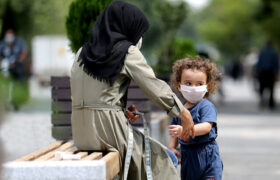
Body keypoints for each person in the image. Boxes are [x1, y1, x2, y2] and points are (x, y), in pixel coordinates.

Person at [70, 1, 194, 180]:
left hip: (81, 134)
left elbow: (94, 97)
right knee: (166, 159)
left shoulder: (81, 52)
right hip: (108, 133)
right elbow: (155, 88)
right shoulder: (126, 51)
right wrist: (184, 114)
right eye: (139, 32)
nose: (139, 37)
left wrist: (120, 113)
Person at [168, 57, 223, 180]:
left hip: (207, 154)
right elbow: (173, 130)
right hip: (188, 156)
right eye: (188, 83)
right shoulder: (179, 109)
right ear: (179, 86)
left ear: (207, 86)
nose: (193, 88)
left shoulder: (206, 106)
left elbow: (207, 127)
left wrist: (186, 130)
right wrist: (172, 146)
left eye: (199, 84)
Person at [0, 28, 29, 110]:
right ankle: (4, 100)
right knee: (4, 82)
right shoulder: (3, 44)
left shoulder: (19, 42)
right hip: (6, 67)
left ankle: (17, 100)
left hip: (17, 66)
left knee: (19, 82)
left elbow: (24, 52)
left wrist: (19, 60)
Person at [256, 40, 279, 110]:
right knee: (271, 88)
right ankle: (271, 103)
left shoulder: (262, 53)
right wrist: (277, 73)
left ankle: (262, 101)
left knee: (262, 87)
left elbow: (259, 63)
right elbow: (276, 64)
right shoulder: (274, 53)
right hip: (271, 72)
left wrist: (257, 72)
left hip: (262, 72)